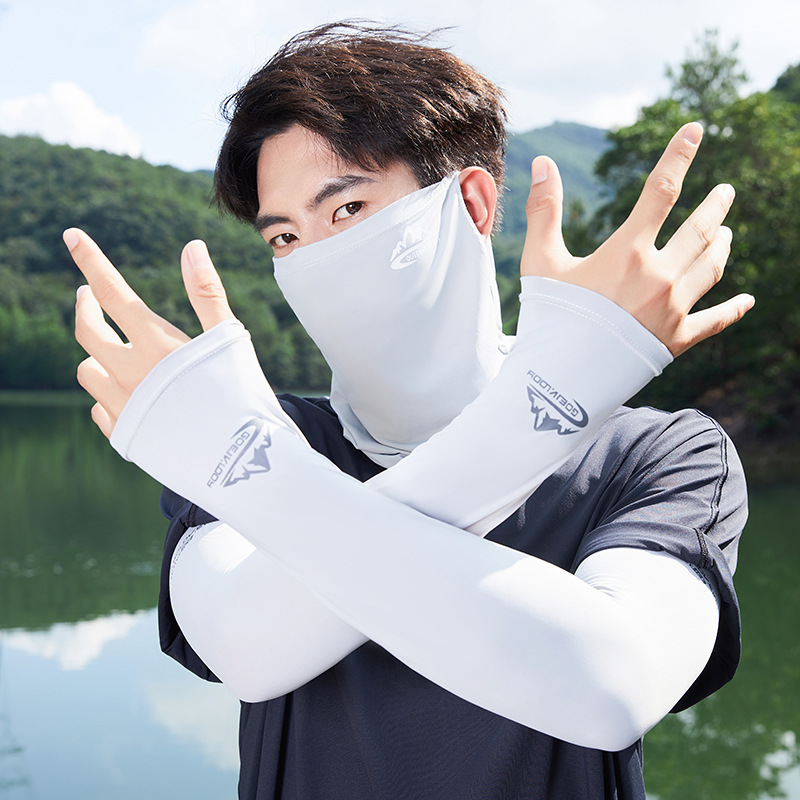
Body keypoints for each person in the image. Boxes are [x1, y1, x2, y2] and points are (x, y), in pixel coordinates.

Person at [65, 22, 753, 800]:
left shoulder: (656, 456)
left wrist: (254, 475)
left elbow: (611, 689)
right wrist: (542, 411)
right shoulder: (263, 433)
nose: (311, 257)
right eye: (283, 236)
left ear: (471, 202)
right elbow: (244, 647)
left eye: (347, 208)